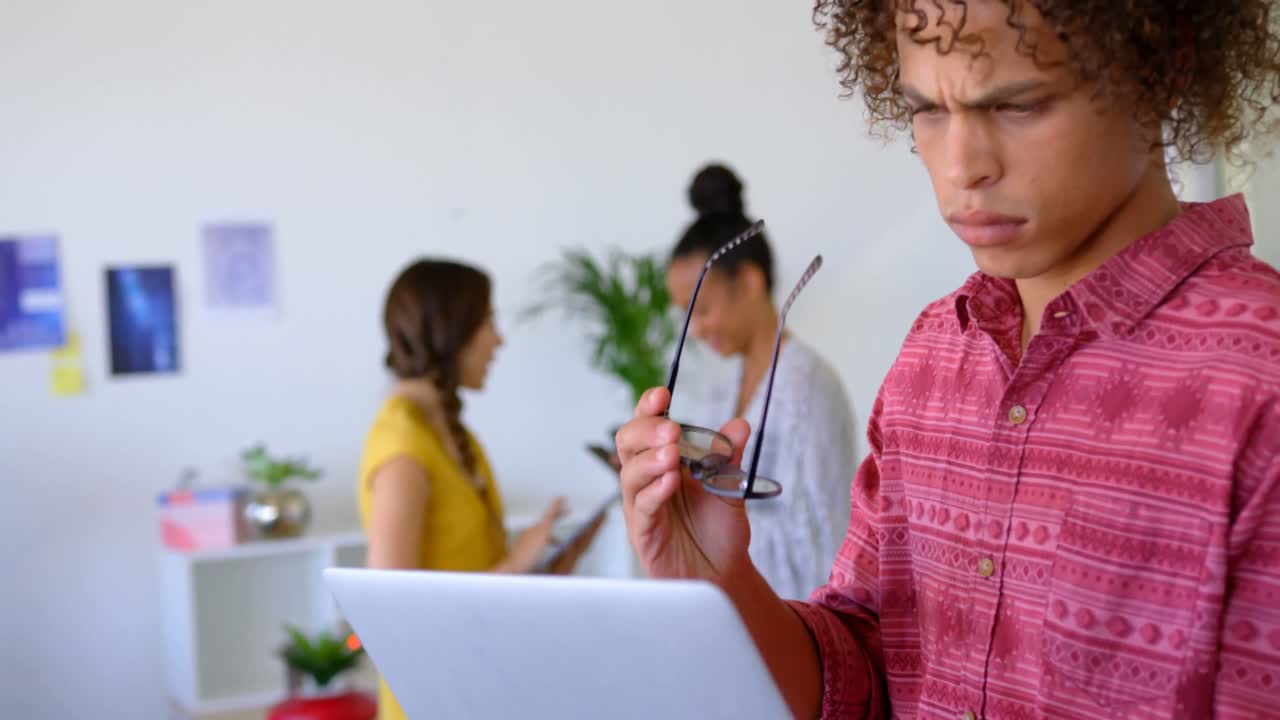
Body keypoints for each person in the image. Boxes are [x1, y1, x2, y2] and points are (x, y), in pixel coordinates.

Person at [615, 1, 1280, 718]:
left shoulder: (1258, 383)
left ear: (1160, 75)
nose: (962, 166)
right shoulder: (933, 358)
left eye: (1017, 104)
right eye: (927, 110)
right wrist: (722, 583)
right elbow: (862, 678)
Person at [358, 259, 601, 720]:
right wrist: (514, 564)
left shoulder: (453, 435)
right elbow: (390, 619)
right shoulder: (401, 449)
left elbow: (467, 579)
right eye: (489, 322)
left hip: (482, 688)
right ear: (452, 330)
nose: (498, 340)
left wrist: (545, 568)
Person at [665, 163, 857, 600]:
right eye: (686, 314)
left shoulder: (808, 389)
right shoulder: (721, 393)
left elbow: (825, 547)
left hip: (797, 628)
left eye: (703, 308)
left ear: (750, 282)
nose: (694, 329)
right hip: (735, 615)